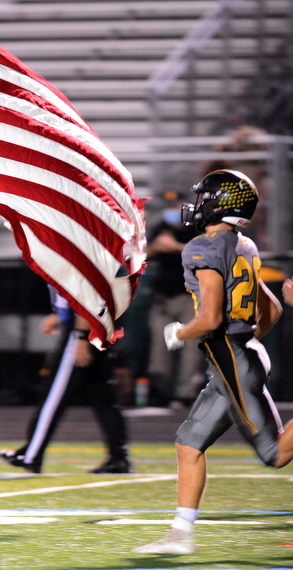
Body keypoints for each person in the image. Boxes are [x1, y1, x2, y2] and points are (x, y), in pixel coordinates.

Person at [134, 169, 293, 556]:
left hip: (231, 358)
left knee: (275, 454)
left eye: (205, 197)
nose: (198, 204)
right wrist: (247, 340)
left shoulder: (202, 247)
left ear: (221, 204)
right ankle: (180, 534)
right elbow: (271, 308)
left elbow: (209, 320)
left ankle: (180, 533)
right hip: (238, 355)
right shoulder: (245, 245)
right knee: (189, 444)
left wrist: (179, 333)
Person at [0, 287, 130, 474]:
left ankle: (31, 455)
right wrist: (61, 314)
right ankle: (119, 458)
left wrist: (81, 337)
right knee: (101, 393)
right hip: (100, 321)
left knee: (54, 394)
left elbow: (88, 291)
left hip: (86, 325)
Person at [145, 191, 203, 406]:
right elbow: (145, 253)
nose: (172, 211)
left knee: (191, 348)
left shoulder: (197, 229)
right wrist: (155, 247)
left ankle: (186, 393)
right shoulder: (161, 227)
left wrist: (177, 247)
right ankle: (159, 392)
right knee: (161, 346)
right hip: (164, 298)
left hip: (191, 297)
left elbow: (205, 254)